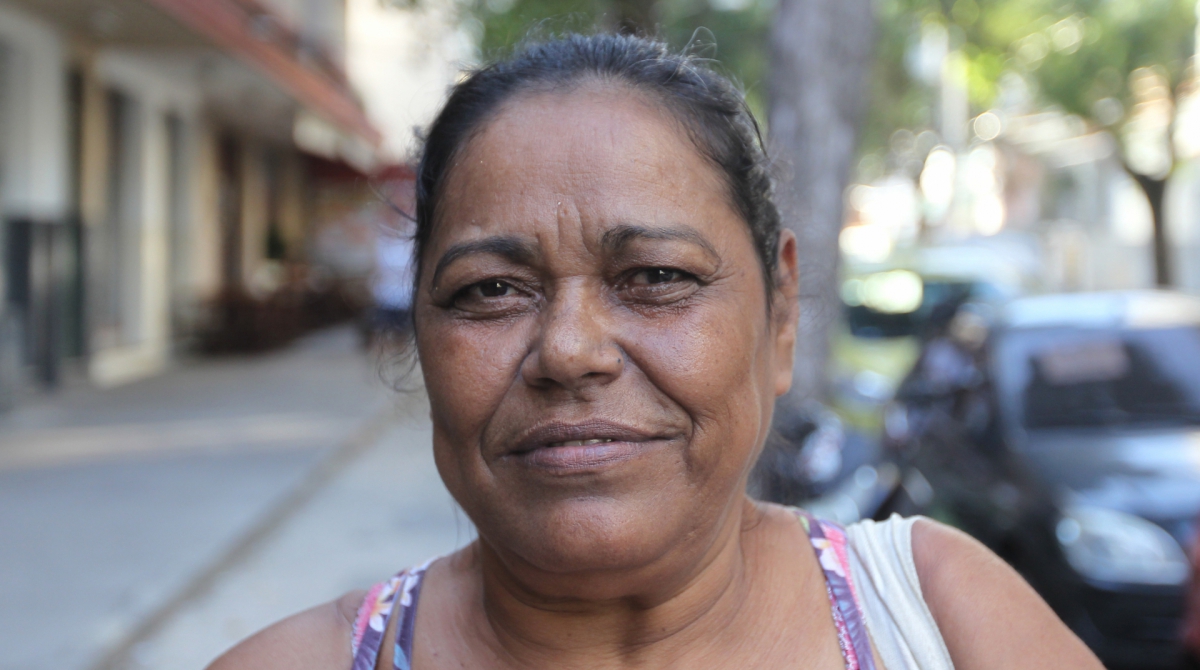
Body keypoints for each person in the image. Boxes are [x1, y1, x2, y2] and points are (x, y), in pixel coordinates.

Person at [209, 33, 1103, 669]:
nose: (567, 350)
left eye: (657, 277)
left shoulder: (943, 620)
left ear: (779, 313)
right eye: (490, 291)